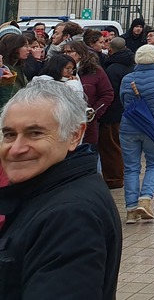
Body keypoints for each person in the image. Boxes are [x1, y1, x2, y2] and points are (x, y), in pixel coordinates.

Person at [0, 79, 122, 298]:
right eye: (9, 134)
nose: (16, 149)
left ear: (74, 135)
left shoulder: (69, 215)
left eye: (35, 133)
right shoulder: (45, 191)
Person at [119, 44, 154, 224]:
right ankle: (145, 198)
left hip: (129, 127)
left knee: (131, 167)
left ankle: (130, 210)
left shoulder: (127, 79)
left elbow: (122, 100)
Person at [64, 41, 114, 153]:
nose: (66, 54)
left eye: (70, 52)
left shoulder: (95, 71)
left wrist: (94, 113)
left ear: (80, 54)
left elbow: (108, 93)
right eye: (64, 52)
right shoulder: (61, 71)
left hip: (88, 125)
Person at [99, 36, 134, 189]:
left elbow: (110, 93)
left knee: (111, 146)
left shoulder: (112, 68)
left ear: (111, 50)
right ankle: (122, 175)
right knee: (121, 146)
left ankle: (114, 178)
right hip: (127, 112)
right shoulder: (132, 64)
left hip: (113, 114)